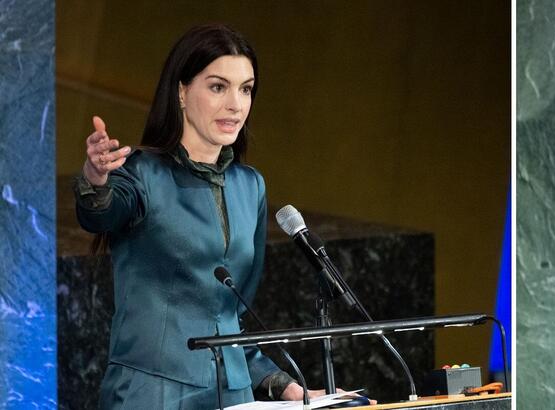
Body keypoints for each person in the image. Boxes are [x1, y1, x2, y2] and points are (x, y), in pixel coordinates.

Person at [74, 24, 362, 408]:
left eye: (246, 89)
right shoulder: (141, 174)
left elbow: (229, 319)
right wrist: (95, 178)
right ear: (181, 91)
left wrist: (287, 386)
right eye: (217, 87)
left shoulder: (250, 186)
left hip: (234, 395)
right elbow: (101, 212)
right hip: (154, 394)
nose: (235, 104)